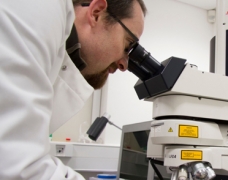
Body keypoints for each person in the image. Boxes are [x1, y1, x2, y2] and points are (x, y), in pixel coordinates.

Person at [0, 0, 146, 179]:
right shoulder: (40, 9)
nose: (124, 64)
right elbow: (18, 166)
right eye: (128, 45)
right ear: (96, 13)